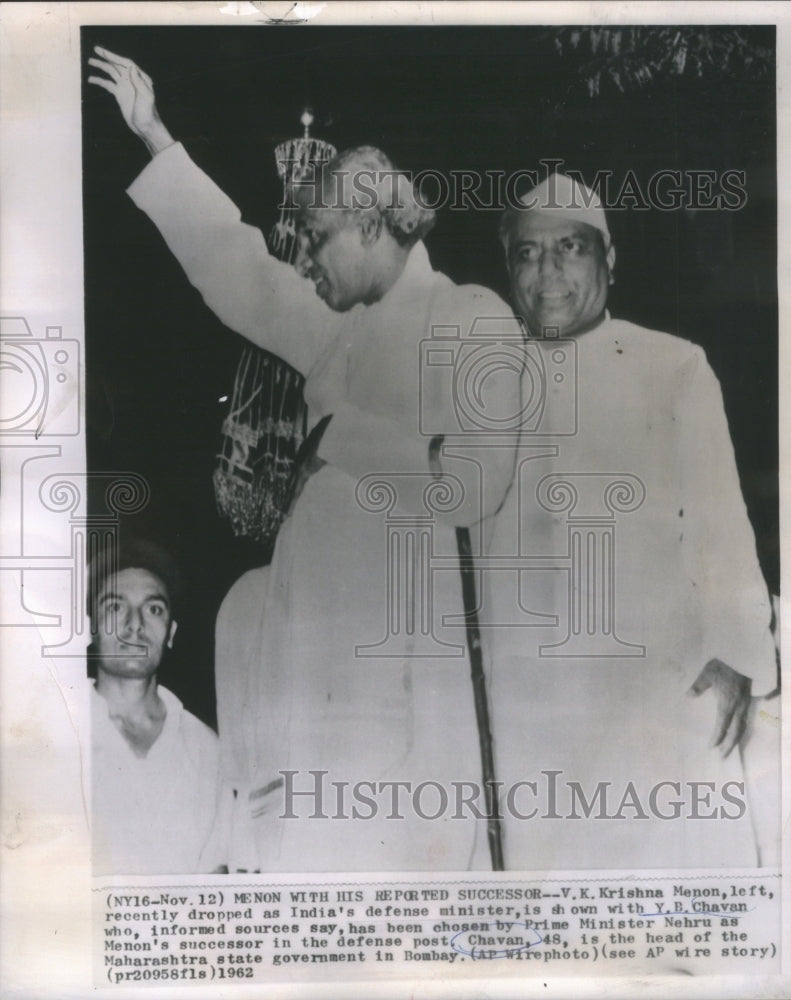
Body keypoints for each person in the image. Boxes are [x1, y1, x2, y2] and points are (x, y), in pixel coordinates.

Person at [88, 49, 522, 871]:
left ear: (370, 224)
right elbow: (240, 269)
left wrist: (338, 437)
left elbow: (477, 484)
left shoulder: (469, 315)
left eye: (319, 239)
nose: (307, 258)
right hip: (303, 679)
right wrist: (155, 138)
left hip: (399, 699)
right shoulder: (333, 330)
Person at [483, 172, 779, 868]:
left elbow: (720, 524)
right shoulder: (482, 382)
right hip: (525, 702)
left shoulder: (671, 366)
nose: (548, 271)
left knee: (675, 921)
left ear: (608, 261)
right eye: (527, 253)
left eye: (570, 248)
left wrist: (735, 653)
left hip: (654, 692)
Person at [88, 539, 227, 875]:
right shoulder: (54, 731)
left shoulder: (206, 747)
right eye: (116, 607)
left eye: (153, 609)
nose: (135, 624)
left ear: (171, 632)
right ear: (90, 627)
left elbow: (215, 881)